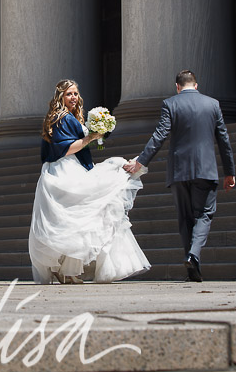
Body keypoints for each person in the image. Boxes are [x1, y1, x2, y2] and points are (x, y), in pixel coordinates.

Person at [29, 79, 151, 285]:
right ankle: (66, 270)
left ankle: (68, 270)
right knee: (79, 218)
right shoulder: (60, 117)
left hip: (74, 167)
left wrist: (96, 135)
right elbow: (65, 149)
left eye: (76, 93)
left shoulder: (70, 117)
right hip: (64, 171)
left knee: (78, 221)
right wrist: (91, 138)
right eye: (69, 94)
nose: (73, 97)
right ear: (60, 96)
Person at [123, 70, 235, 282]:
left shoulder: (170, 104)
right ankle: (193, 256)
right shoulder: (212, 104)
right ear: (196, 85)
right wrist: (229, 172)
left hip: (179, 171)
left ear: (177, 87)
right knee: (204, 214)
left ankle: (192, 266)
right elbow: (224, 140)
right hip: (205, 169)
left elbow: (160, 135)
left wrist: (141, 161)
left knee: (185, 219)